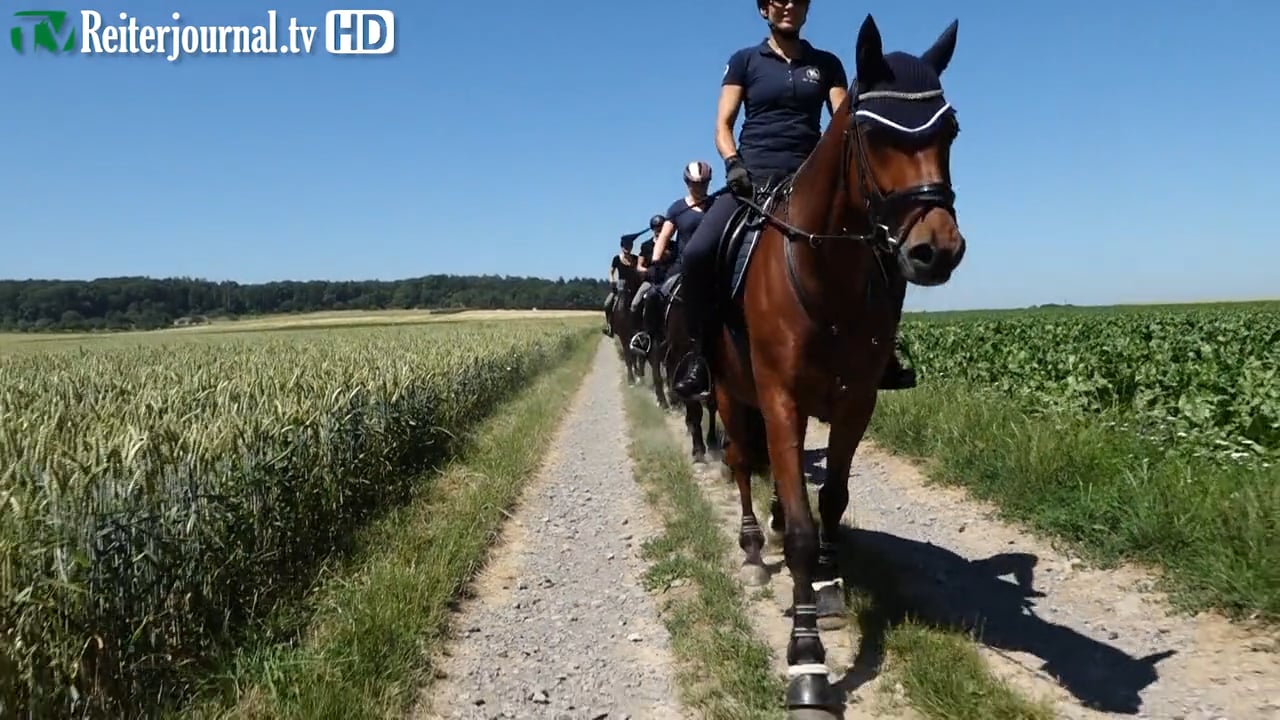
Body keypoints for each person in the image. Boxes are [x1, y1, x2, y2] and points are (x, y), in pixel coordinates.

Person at [670, 0, 917, 399]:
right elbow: (723, 125)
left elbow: (844, 122)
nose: (788, 5)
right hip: (751, 182)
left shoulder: (828, 64)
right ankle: (700, 357)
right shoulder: (744, 61)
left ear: (806, 9)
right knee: (698, 252)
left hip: (808, 180)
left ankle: (883, 352)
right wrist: (733, 163)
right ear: (764, 9)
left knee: (887, 251)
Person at [601, 234, 638, 337]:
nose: (627, 248)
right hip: (620, 286)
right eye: (625, 246)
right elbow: (611, 272)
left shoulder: (636, 258)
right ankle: (610, 327)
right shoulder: (617, 258)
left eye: (629, 246)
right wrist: (612, 281)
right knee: (607, 304)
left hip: (634, 286)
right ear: (621, 247)